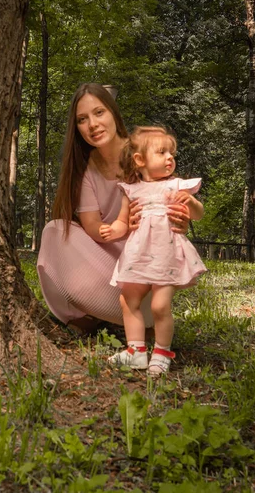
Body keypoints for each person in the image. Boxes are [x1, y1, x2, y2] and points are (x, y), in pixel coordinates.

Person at [37, 83, 203, 334]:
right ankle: (88, 314)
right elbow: (93, 227)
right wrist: (121, 228)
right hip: (107, 257)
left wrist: (181, 219)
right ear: (77, 128)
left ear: (114, 113)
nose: (92, 124)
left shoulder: (141, 154)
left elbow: (169, 198)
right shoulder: (85, 170)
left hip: (143, 266)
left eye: (99, 112)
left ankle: (128, 315)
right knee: (54, 231)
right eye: (82, 119)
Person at [100, 125, 207, 375]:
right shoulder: (131, 189)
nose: (170, 158)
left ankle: (161, 352)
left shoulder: (177, 186)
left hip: (166, 255)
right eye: (162, 153)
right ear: (140, 160)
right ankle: (136, 352)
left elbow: (198, 215)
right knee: (128, 300)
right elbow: (123, 220)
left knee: (160, 306)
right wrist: (113, 230)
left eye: (171, 154)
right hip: (137, 255)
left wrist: (191, 202)